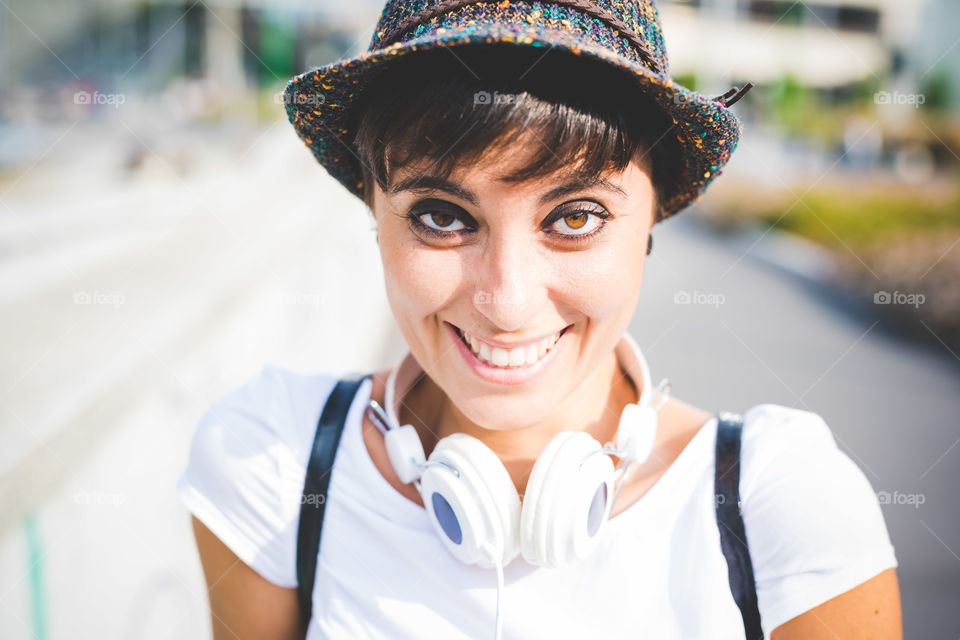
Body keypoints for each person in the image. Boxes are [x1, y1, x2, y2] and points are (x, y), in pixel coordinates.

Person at [176, 1, 902, 638]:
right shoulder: (272, 465)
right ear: (374, 213)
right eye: (440, 217)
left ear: (652, 221)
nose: (508, 300)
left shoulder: (778, 507)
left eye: (576, 217)